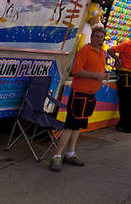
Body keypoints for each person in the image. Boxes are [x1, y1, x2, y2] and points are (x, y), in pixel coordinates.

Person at [50, 25, 106, 171]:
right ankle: (57, 156)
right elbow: (76, 71)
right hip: (79, 94)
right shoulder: (85, 51)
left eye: (101, 37)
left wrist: (102, 75)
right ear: (91, 37)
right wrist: (94, 75)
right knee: (70, 126)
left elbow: (98, 70)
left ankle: (70, 153)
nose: (98, 39)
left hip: (90, 96)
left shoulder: (102, 53)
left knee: (78, 126)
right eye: (96, 36)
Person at [107, 32, 131, 134]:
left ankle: (126, 124)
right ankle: (124, 125)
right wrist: (118, 59)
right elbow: (110, 50)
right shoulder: (126, 44)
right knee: (126, 101)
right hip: (124, 74)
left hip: (130, 74)